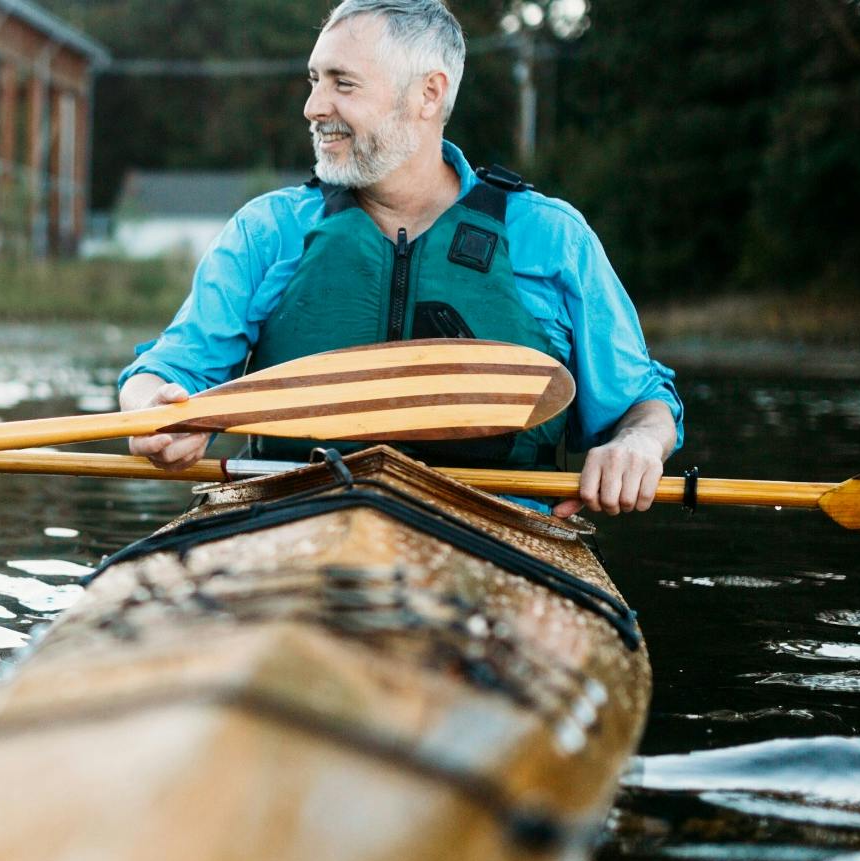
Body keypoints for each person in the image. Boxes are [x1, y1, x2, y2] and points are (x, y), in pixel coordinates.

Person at [121, 0, 681, 517]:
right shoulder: (267, 231)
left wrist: (635, 444)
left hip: (496, 527)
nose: (314, 107)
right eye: (315, 80)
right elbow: (166, 372)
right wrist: (154, 410)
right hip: (291, 518)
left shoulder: (552, 238)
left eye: (343, 83)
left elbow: (641, 404)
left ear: (428, 94)